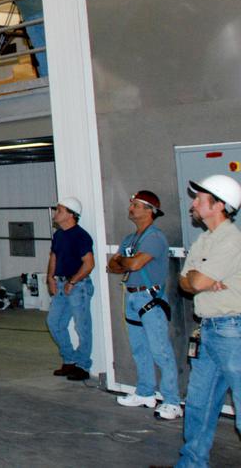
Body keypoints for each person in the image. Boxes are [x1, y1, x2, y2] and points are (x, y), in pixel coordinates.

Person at [175, 174, 241, 468]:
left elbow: (196, 279)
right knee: (199, 403)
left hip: (233, 332)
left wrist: (198, 279)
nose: (193, 203)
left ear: (218, 205)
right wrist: (199, 280)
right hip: (209, 331)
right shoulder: (204, 240)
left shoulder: (231, 240)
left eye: (199, 198)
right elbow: (185, 282)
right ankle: (192, 463)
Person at [107, 189, 181, 419]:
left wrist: (124, 261)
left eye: (137, 205)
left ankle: (172, 401)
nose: (131, 207)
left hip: (150, 299)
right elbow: (113, 265)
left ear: (150, 211)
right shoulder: (130, 239)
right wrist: (123, 262)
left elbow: (135, 264)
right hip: (131, 297)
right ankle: (146, 392)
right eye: (132, 204)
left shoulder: (154, 237)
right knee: (140, 349)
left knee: (161, 350)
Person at [47, 196, 95, 381]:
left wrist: (73, 282)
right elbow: (53, 257)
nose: (55, 214)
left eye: (59, 210)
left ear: (71, 215)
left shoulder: (81, 236)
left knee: (82, 327)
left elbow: (89, 264)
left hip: (78, 287)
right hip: (60, 285)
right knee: (54, 323)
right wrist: (50, 278)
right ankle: (69, 360)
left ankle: (82, 365)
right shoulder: (58, 235)